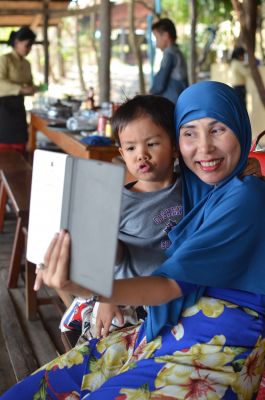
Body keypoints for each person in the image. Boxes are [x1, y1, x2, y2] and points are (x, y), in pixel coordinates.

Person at [2, 81, 265, 399]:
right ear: (178, 142)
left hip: (220, 333)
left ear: (239, 126)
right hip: (168, 320)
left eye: (218, 129)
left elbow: (170, 286)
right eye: (190, 132)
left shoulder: (243, 195)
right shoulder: (201, 182)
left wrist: (91, 288)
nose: (204, 147)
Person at [60, 94, 183, 340]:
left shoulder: (189, 185)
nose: (141, 155)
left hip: (173, 291)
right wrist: (107, 296)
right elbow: (107, 257)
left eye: (152, 144)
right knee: (101, 342)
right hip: (127, 294)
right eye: (131, 148)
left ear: (175, 146)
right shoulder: (118, 202)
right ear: (121, 153)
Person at [0, 26, 37, 154]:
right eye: (27, 45)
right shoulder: (5, 59)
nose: (28, 49)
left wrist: (33, 88)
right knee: (5, 147)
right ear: (17, 42)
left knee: (21, 142)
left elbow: (30, 83)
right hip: (4, 108)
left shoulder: (27, 64)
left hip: (19, 107)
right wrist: (21, 89)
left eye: (31, 46)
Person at [150, 18, 188, 103]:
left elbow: (159, 84)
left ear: (166, 36)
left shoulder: (170, 54)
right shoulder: (177, 52)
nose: (156, 44)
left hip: (173, 104)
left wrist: (148, 94)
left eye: (156, 38)